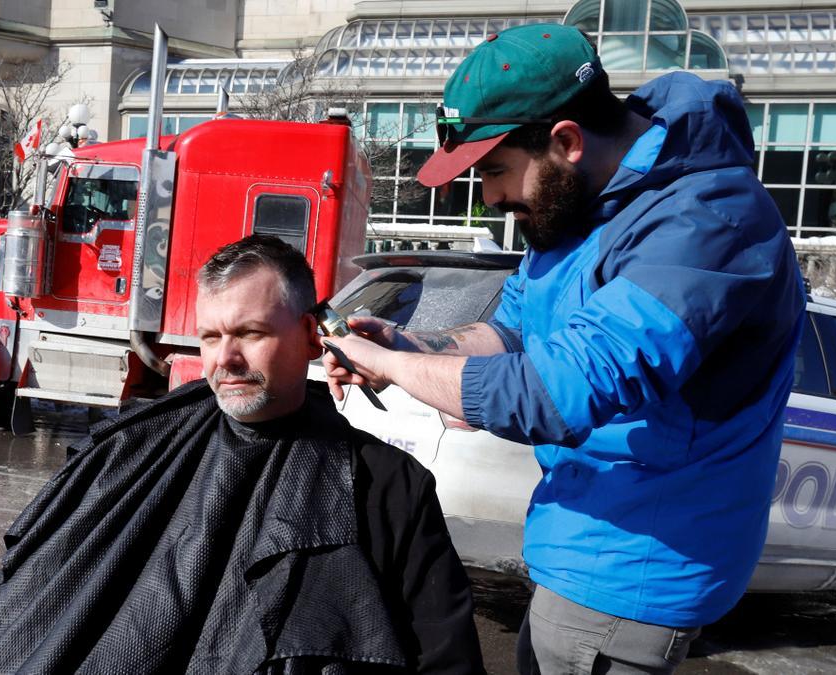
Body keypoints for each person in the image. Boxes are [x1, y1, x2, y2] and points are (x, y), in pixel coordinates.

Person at [323, 24, 806, 674]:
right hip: (578, 541)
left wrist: (397, 367)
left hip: (632, 570)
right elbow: (512, 332)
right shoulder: (577, 204)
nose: (490, 198)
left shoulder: (707, 224)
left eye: (494, 171)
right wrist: (410, 342)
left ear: (567, 141)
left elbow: (562, 392)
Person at [0, 234, 484, 674]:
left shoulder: (385, 488)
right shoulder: (130, 451)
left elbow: (446, 658)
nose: (226, 360)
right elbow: (30, 599)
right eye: (210, 338)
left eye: (250, 333)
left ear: (309, 336)